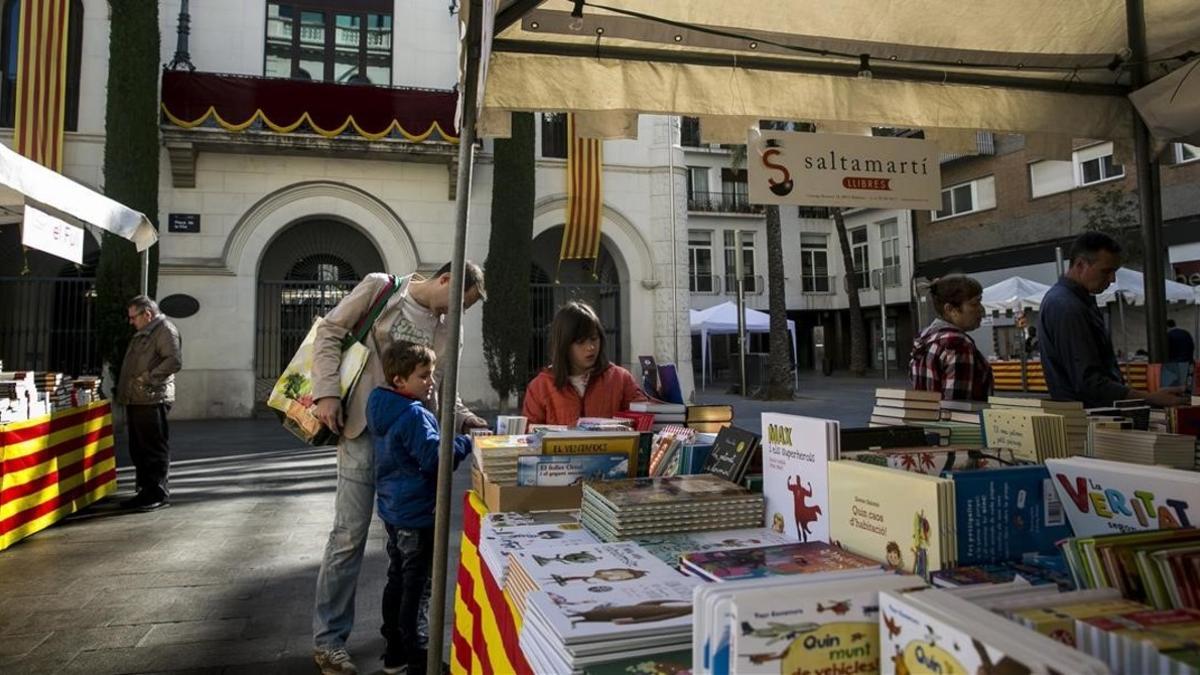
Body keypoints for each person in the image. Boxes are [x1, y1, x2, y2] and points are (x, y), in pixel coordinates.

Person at [309, 262, 489, 675]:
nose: (458, 314)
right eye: (460, 303)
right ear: (445, 280)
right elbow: (330, 332)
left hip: (410, 450)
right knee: (348, 536)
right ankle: (329, 641)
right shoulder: (381, 290)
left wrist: (463, 420)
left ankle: (401, 635)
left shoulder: (448, 329)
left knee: (407, 551)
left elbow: (444, 386)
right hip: (362, 432)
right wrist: (326, 393)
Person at [368, 342, 472, 675]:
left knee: (397, 577)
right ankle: (419, 654)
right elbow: (435, 459)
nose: (430, 382)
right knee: (418, 585)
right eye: (423, 376)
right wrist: (466, 442)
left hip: (393, 509)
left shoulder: (380, 404)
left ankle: (394, 651)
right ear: (399, 379)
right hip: (415, 511)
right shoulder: (413, 414)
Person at [1038, 232, 1185, 408]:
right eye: (1106, 271)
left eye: (1114, 271)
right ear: (1080, 265)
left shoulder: (1072, 302)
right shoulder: (1067, 307)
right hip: (1087, 418)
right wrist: (1149, 398)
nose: (1112, 279)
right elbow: (1089, 383)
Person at [523, 300, 646, 425]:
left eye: (594, 339)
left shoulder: (620, 379)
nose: (590, 347)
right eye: (581, 342)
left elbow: (644, 422)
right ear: (564, 345)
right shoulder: (540, 387)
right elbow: (530, 437)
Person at [115, 295, 182, 511]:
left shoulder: (164, 330)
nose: (131, 321)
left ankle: (158, 493)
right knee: (139, 448)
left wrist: (148, 377)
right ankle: (145, 491)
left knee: (153, 448)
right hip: (137, 398)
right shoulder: (146, 331)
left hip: (152, 397)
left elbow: (173, 360)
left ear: (147, 314)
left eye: (134, 317)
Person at [909, 275, 993, 401]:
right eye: (975, 303)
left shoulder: (925, 340)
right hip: (961, 420)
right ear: (950, 309)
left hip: (926, 418)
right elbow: (958, 405)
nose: (982, 310)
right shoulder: (957, 344)